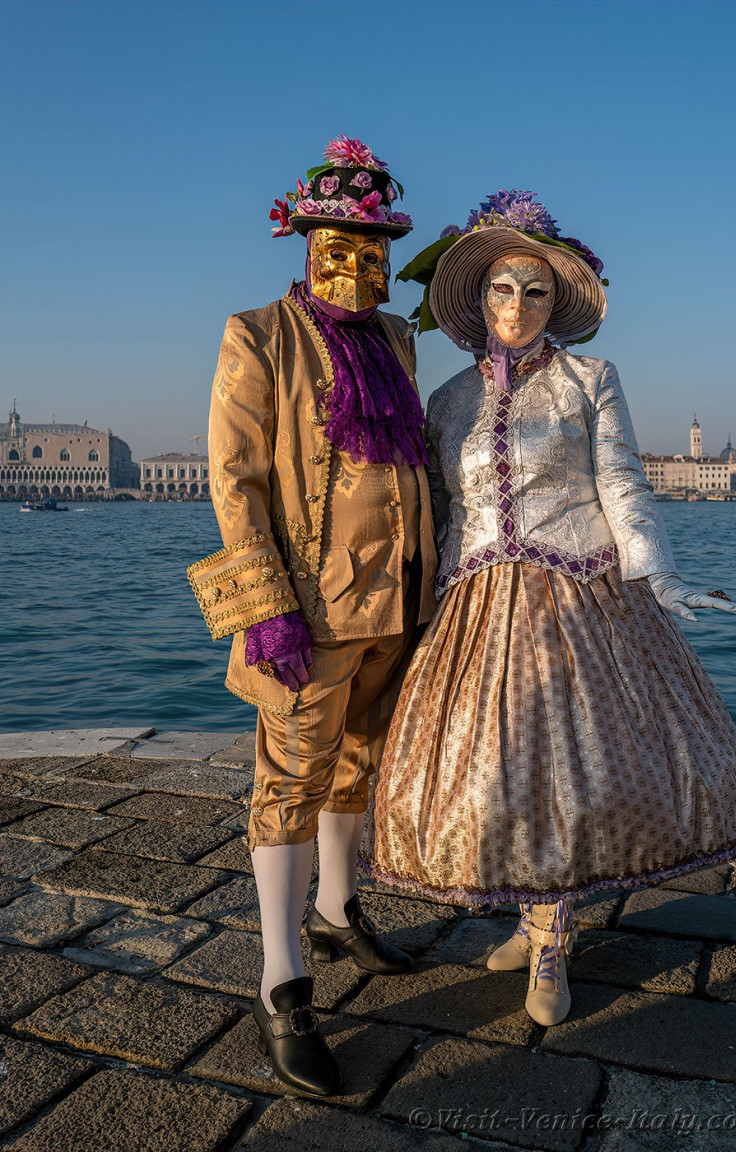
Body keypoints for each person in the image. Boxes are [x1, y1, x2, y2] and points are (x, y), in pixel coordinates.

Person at [362, 189, 736, 1028]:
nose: (516, 306)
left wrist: (658, 575)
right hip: (476, 601)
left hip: (578, 594)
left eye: (535, 292)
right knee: (495, 770)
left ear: (557, 303)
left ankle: (551, 938)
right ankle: (530, 918)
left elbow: (621, 480)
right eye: (501, 289)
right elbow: (440, 507)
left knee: (568, 772)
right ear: (478, 300)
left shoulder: (591, 380)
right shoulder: (448, 400)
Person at [188, 136, 438, 1096]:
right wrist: (264, 608)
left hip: (400, 599)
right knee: (290, 780)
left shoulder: (399, 340)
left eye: (376, 251)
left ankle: (337, 911)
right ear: (306, 243)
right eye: (342, 248)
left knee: (360, 763)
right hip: (312, 608)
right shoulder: (258, 335)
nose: (360, 268)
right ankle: (281, 980)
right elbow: (235, 479)